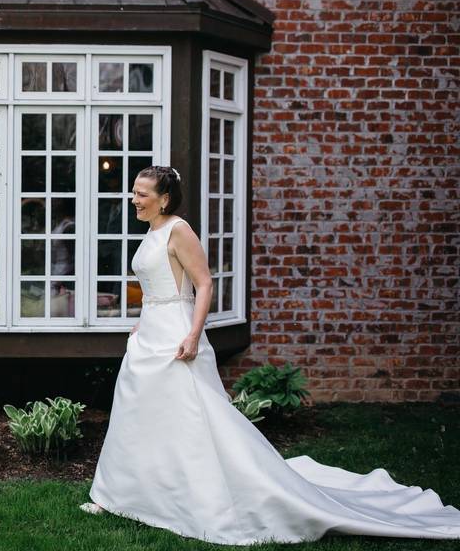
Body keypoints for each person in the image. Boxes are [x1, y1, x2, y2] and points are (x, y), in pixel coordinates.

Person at [81, 166, 460, 545]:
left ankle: (195, 495)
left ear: (164, 199)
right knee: (139, 412)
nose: (134, 199)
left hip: (176, 334)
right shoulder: (152, 231)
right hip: (149, 331)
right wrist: (140, 321)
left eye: (142, 194)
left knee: (187, 415)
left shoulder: (180, 230)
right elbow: (155, 285)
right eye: (134, 192)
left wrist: (194, 334)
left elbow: (204, 283)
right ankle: (120, 494)